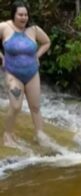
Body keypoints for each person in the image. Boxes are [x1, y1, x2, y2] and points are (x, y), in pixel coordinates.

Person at [0, 1, 51, 147]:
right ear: (14, 14)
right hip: (13, 73)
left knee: (35, 107)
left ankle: (40, 135)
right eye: (20, 14)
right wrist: (1, 56)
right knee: (16, 106)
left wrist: (37, 55)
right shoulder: (4, 27)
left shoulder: (33, 29)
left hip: (32, 73)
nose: (23, 18)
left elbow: (47, 42)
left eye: (26, 15)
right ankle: (7, 134)